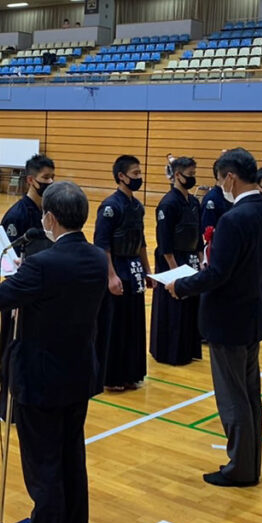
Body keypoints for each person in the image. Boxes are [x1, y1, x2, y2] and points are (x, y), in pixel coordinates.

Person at [0, 181, 108, 523]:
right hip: (77, 375)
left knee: (44, 469)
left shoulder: (43, 265)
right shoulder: (94, 257)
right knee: (72, 460)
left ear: (50, 218)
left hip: (40, 380)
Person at [167, 148, 262, 487]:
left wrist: (181, 285)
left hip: (227, 317)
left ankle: (240, 468)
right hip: (252, 313)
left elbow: (218, 274)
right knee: (249, 393)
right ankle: (250, 461)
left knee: (233, 398)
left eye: (219, 180)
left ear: (230, 177)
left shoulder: (234, 219)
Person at [0, 155, 56, 416]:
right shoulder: (17, 215)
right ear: (31, 180)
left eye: (53, 177)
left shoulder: (51, 212)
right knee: (13, 351)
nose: (51, 182)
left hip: (45, 295)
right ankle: (10, 407)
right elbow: (7, 259)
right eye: (45, 178)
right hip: (20, 294)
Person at [94, 155, 152, 392]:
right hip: (116, 267)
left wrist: (148, 271)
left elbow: (141, 242)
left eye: (140, 173)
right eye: (135, 174)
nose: (139, 178)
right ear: (121, 176)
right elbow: (102, 244)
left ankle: (131, 373)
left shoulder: (137, 206)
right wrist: (110, 276)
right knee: (115, 325)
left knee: (134, 323)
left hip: (134, 268)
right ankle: (111, 376)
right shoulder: (110, 207)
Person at [150, 157, 203, 366]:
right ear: (177, 175)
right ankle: (169, 352)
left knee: (190, 306)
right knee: (172, 306)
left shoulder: (194, 202)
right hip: (172, 260)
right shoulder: (168, 203)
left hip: (190, 258)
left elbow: (197, 235)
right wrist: (175, 273)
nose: (192, 179)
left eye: (194, 174)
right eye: (189, 175)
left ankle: (188, 349)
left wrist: (201, 260)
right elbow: (165, 242)